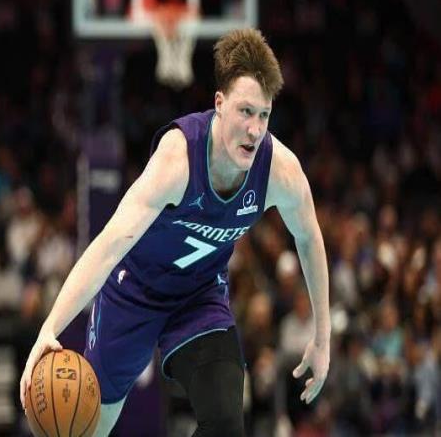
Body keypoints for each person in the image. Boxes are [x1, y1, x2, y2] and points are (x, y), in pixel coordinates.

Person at [20, 28, 331, 437]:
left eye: (264, 115)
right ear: (219, 104)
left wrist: (323, 338)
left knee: (226, 422)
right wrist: (50, 328)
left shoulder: (280, 172)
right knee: (92, 427)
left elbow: (309, 238)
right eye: (245, 111)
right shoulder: (177, 160)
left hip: (199, 295)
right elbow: (109, 245)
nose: (255, 130)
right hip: (134, 293)